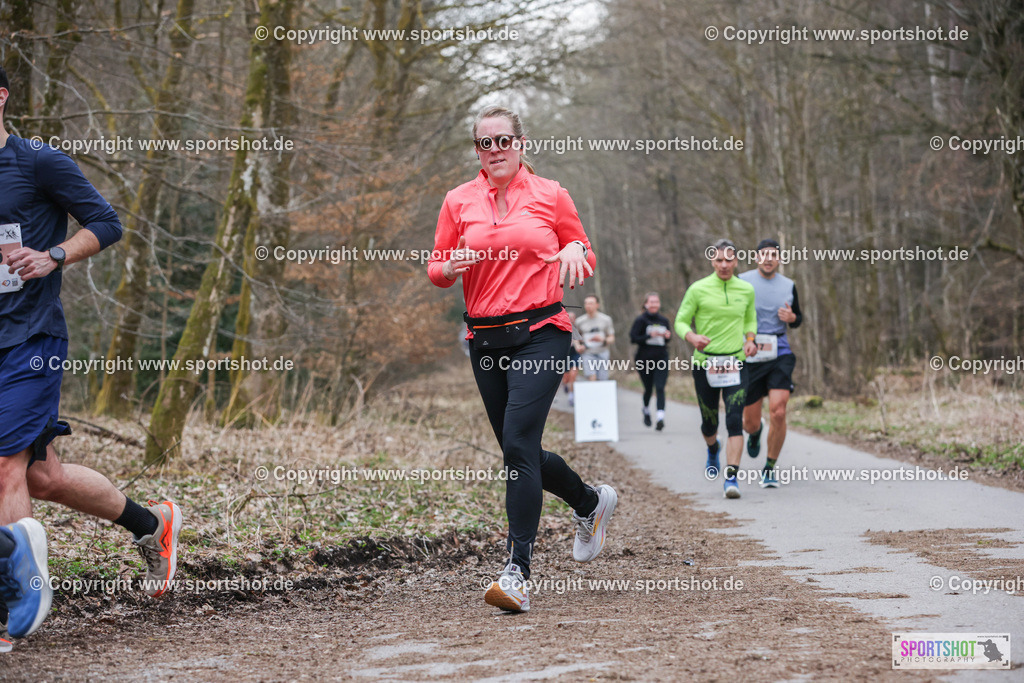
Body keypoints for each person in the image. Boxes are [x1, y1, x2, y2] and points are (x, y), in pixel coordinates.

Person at [0, 66, 182, 640]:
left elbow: (107, 222)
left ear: (1, 96)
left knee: (5, 467)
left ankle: (16, 603)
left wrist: (52, 254)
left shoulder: (38, 162)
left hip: (30, 338)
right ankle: (152, 524)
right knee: (42, 477)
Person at [428, 105, 617, 612]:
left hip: (542, 332)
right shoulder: (458, 200)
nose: (495, 150)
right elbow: (436, 267)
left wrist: (577, 251)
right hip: (486, 339)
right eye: (484, 143)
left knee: (517, 443)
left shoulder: (551, 194)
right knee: (520, 450)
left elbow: (583, 251)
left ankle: (518, 572)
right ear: (477, 150)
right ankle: (590, 502)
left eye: (503, 140)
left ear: (520, 143)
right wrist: (449, 267)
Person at [674, 239, 756, 499]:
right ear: (712, 261)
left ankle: (731, 478)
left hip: (736, 362)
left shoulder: (746, 289)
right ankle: (712, 448)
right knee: (709, 423)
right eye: (719, 260)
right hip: (705, 363)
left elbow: (750, 319)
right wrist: (692, 337)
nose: (724, 265)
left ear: (736, 261)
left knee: (734, 420)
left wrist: (750, 339)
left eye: (729, 260)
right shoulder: (698, 289)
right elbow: (680, 321)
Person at [740, 239, 803, 488]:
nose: (769, 259)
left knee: (778, 411)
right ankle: (755, 432)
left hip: (780, 352)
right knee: (749, 423)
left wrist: (793, 317)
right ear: (756, 258)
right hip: (751, 353)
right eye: (764, 254)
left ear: (779, 259)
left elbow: (798, 319)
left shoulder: (789, 285)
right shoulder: (742, 281)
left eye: (774, 255)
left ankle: (769, 468)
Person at [629, 292, 671, 430]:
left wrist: (667, 336)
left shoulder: (664, 320)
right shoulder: (641, 320)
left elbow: (667, 339)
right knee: (648, 388)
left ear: (659, 304)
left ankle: (660, 418)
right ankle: (646, 410)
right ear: (646, 304)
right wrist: (648, 335)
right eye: (651, 302)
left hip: (661, 358)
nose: (654, 304)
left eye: (656, 302)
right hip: (644, 359)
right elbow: (633, 338)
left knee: (660, 387)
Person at [577, 294, 615, 381]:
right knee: (592, 377)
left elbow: (612, 338)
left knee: (602, 379)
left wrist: (603, 340)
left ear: (597, 305)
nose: (588, 306)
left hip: (602, 352)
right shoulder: (580, 321)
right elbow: (576, 338)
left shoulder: (606, 319)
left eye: (591, 303)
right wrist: (578, 346)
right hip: (587, 353)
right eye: (586, 303)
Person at [561, 311, 583, 406]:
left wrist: (581, 346)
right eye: (569, 317)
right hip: (565, 355)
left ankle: (571, 395)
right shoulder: (562, 328)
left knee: (573, 374)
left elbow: (580, 341)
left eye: (573, 318)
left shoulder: (578, 328)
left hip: (575, 354)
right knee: (566, 378)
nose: (571, 320)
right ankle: (565, 384)